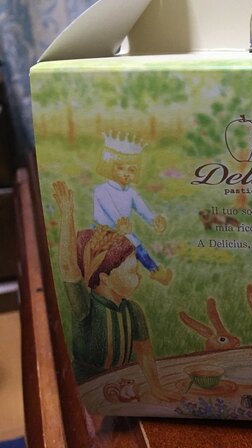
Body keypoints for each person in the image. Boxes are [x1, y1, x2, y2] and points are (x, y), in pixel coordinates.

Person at [53, 180, 179, 401]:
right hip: (87, 389)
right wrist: (67, 215)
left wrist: (156, 388)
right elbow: (67, 267)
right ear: (105, 278)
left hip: (123, 385)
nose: (139, 277)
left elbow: (145, 354)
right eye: (133, 272)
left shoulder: (133, 311)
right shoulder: (86, 307)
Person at [94, 132, 172, 285]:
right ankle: (151, 270)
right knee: (131, 242)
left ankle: (155, 272)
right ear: (109, 167)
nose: (126, 174)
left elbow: (143, 210)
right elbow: (112, 211)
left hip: (124, 231)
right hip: (103, 232)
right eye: (121, 168)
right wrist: (121, 225)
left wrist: (154, 220)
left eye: (131, 170)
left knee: (133, 242)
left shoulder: (130, 192)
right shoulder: (102, 190)